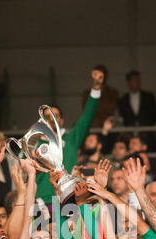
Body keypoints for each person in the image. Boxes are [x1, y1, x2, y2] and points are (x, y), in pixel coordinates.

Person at [34, 68, 104, 208]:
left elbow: (87, 117)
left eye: (56, 116)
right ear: (42, 121)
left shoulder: (71, 138)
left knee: (72, 230)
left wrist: (96, 88)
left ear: (62, 120)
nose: (52, 119)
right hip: (43, 201)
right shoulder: (34, 144)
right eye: (48, 117)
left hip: (70, 197)